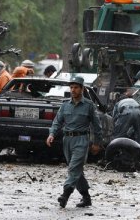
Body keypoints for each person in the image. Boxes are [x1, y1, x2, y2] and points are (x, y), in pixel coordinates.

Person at [46, 76, 102, 208]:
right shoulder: (65, 105)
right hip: (67, 140)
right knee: (77, 170)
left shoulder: (88, 105)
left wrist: (97, 143)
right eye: (71, 87)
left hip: (81, 140)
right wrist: (51, 134)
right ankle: (86, 197)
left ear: (82, 89)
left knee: (73, 168)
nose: (73, 90)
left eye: (76, 87)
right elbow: (57, 121)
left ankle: (65, 195)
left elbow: (97, 125)